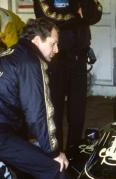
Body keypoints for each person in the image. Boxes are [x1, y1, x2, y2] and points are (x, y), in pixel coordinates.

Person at [0, 18, 69, 179]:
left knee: (29, 149)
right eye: (53, 43)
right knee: (53, 168)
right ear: (36, 40)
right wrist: (54, 153)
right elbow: (38, 115)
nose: (57, 50)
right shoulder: (31, 62)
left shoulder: (9, 54)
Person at [33, 0, 101, 150]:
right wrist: (77, 16)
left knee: (78, 111)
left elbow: (95, 15)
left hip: (79, 58)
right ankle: (55, 154)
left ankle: (74, 150)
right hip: (55, 58)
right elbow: (48, 18)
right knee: (54, 110)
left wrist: (79, 12)